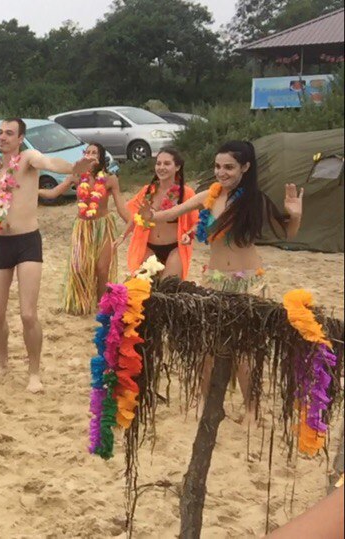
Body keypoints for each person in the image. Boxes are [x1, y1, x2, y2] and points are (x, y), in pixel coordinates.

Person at [143, 140, 303, 421]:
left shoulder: (254, 200)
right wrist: (149, 215)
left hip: (248, 282)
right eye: (217, 166)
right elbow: (171, 213)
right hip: (214, 281)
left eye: (229, 167)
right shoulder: (210, 195)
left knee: (245, 351)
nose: (221, 172)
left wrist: (295, 215)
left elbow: (288, 233)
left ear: (245, 167)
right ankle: (206, 402)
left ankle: (251, 409)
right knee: (206, 347)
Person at [0, 118, 93, 390]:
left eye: (9, 133)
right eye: (0, 133)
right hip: (0, 243)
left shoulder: (28, 158)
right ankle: (2, 364)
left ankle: (34, 373)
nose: (3, 137)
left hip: (27, 242)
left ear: (20, 139)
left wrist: (73, 168)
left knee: (28, 314)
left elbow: (49, 162)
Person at [40, 142, 131, 315]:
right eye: (87, 152)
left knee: (102, 269)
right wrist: (32, 191)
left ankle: (102, 307)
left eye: (94, 152)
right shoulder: (76, 177)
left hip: (104, 226)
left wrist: (133, 224)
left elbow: (121, 207)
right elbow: (54, 193)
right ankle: (82, 302)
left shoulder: (110, 179)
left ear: (100, 158)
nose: (89, 155)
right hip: (82, 228)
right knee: (80, 268)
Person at [118, 147, 198, 278]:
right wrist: (122, 236)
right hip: (148, 247)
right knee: (147, 288)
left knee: (168, 288)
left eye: (167, 164)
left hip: (175, 248)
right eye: (158, 163)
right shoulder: (147, 191)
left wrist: (189, 234)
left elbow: (197, 221)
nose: (161, 167)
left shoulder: (186, 193)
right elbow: (132, 216)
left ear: (177, 167)